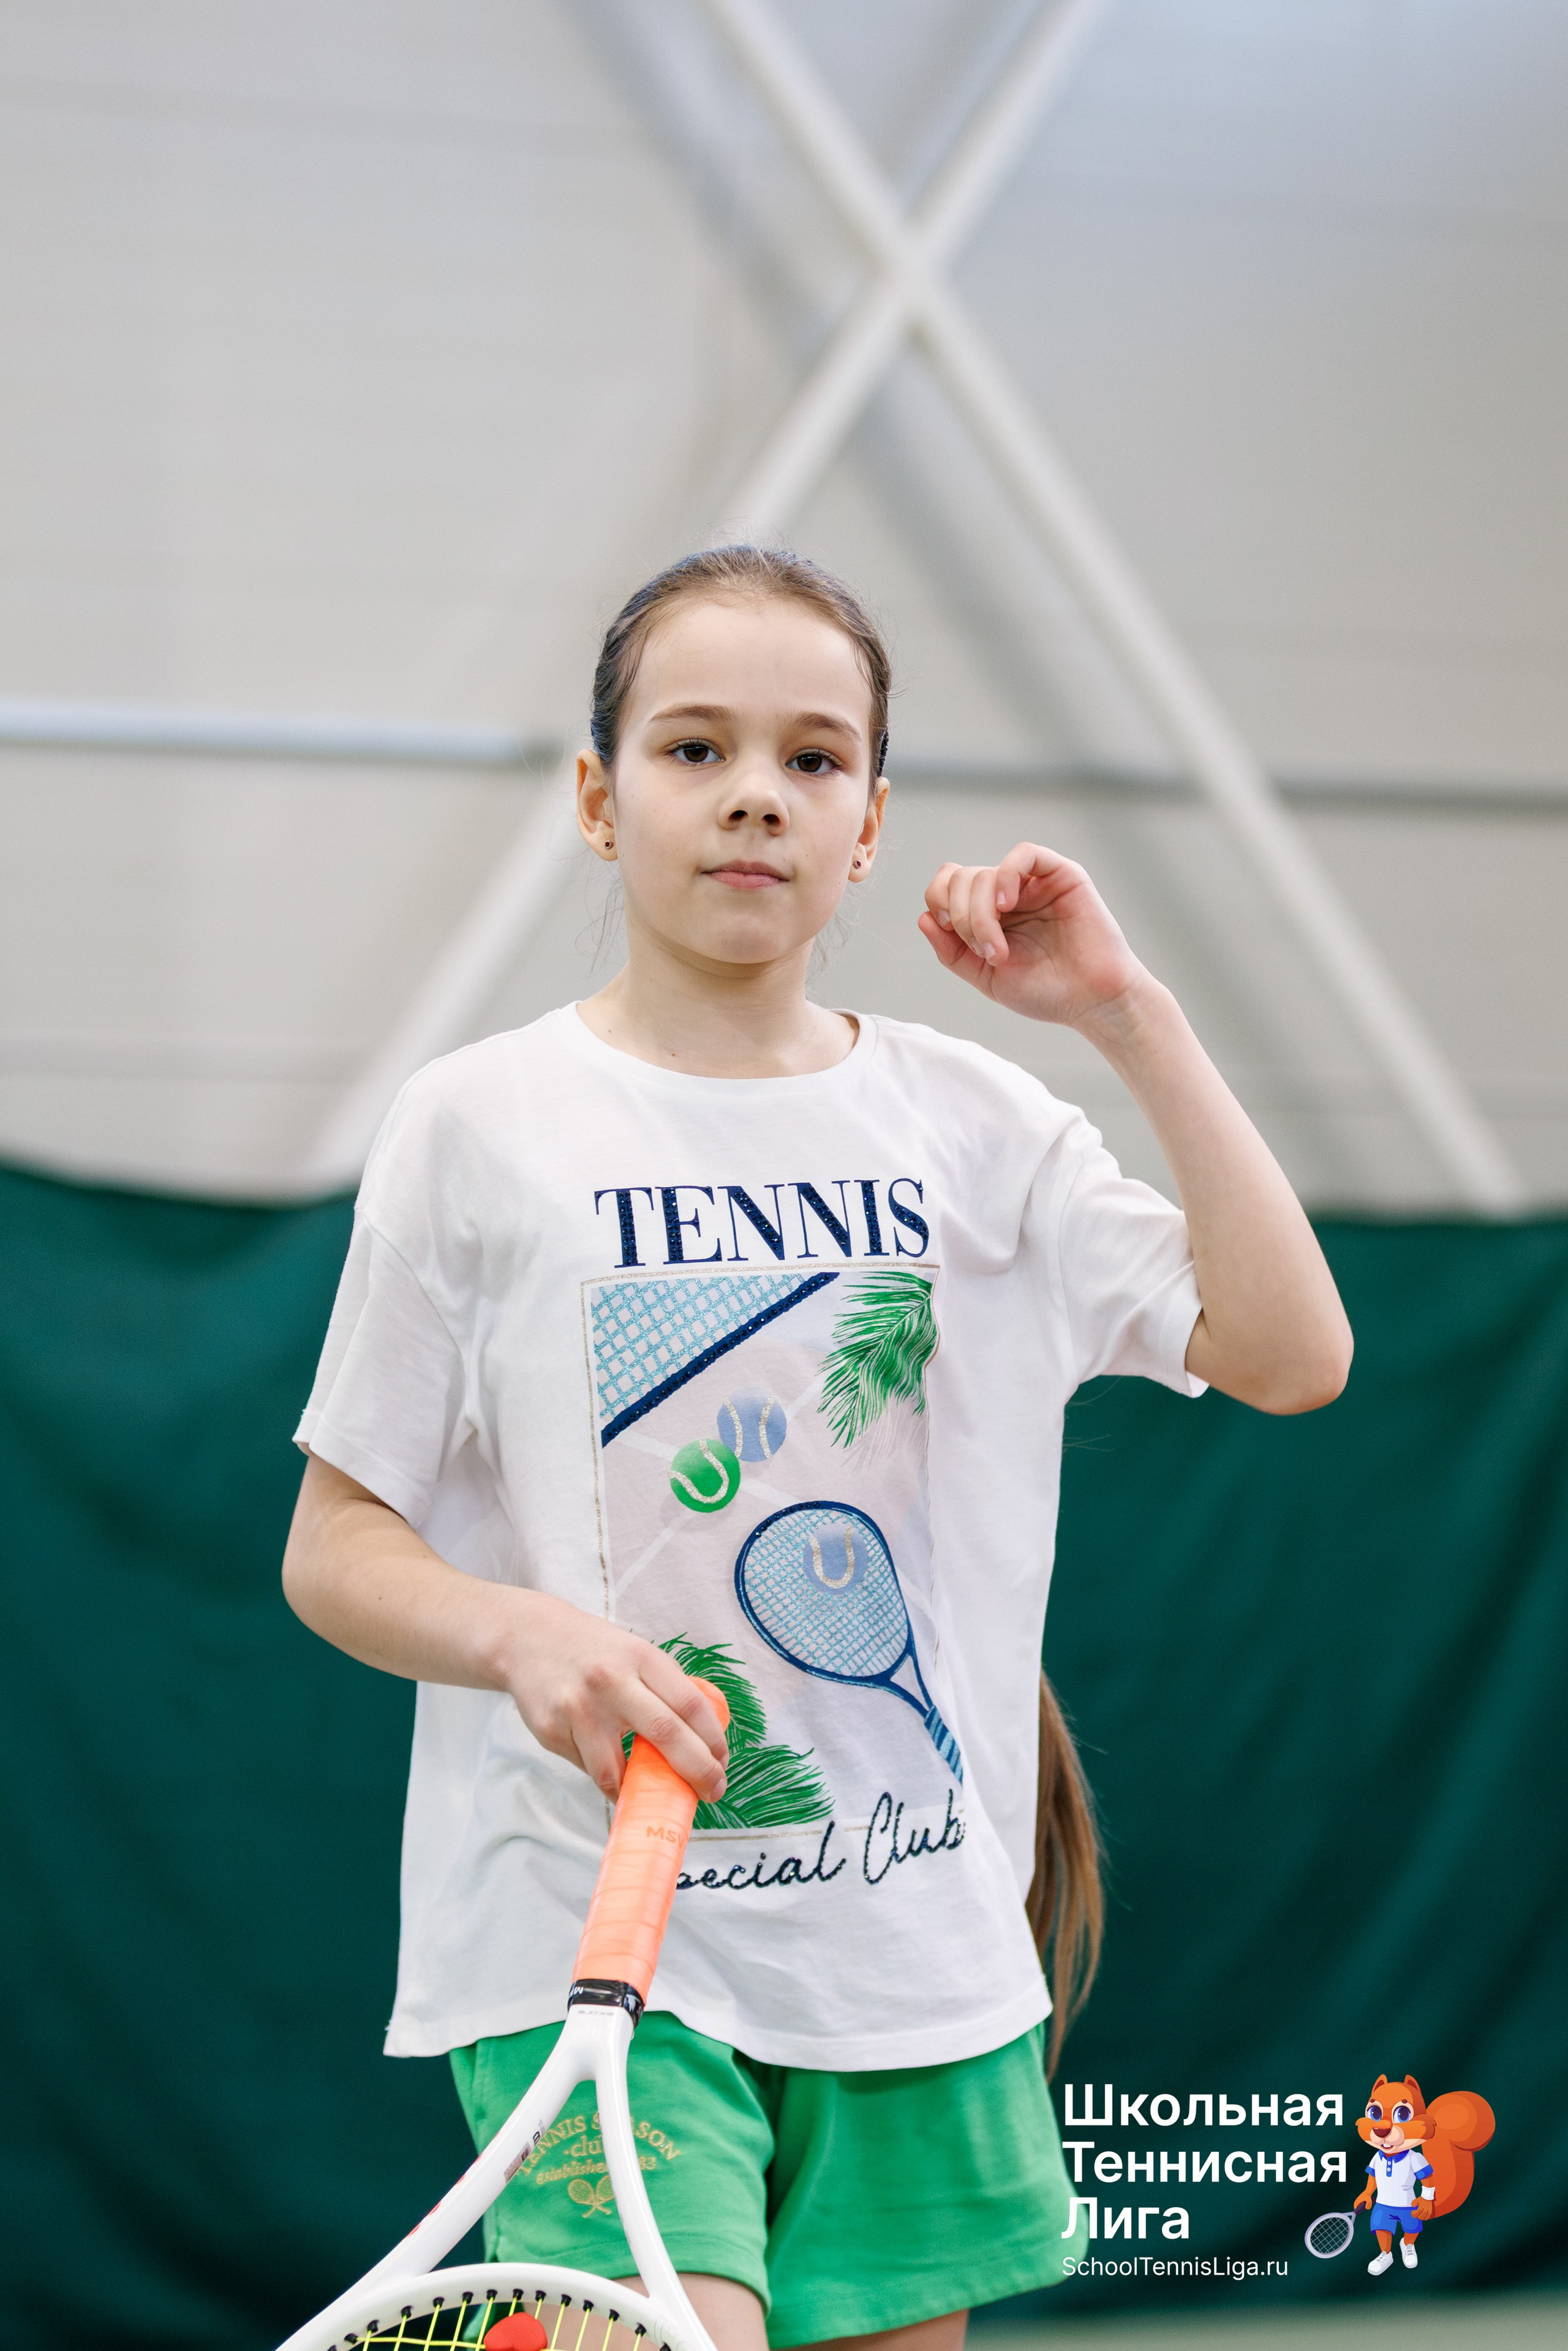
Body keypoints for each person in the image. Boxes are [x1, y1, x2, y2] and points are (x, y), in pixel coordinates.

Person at [282, 545, 1351, 2351]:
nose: (755, 795)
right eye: (695, 750)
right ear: (599, 797)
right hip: (588, 1936)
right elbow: (338, 1544)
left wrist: (1125, 1014)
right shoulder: (479, 1124)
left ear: (867, 827)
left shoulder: (975, 1121)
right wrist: (524, 1635)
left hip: (911, 1955)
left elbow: (1292, 1354)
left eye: (814, 757)